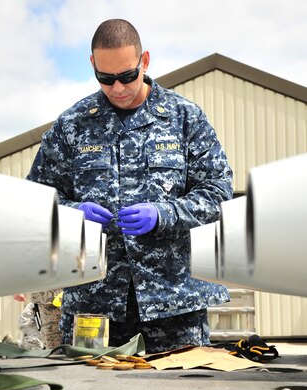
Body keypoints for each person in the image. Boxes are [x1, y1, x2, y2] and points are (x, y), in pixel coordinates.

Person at [27, 18, 233, 353]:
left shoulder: (184, 118)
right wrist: (72, 211)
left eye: (127, 75)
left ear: (145, 61)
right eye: (106, 79)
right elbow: (36, 199)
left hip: (174, 306)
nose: (118, 87)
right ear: (92, 65)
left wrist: (164, 214)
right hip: (95, 305)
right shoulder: (73, 125)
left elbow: (218, 194)